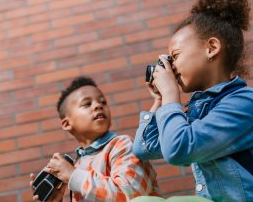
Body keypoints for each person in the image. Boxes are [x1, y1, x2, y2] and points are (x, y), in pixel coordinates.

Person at [132, 0, 253, 202]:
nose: (171, 66)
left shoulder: (247, 102)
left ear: (211, 48)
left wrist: (171, 96)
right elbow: (143, 149)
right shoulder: (200, 110)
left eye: (175, 56)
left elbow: (180, 149)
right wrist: (160, 101)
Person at [29, 76, 162, 202]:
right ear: (67, 124)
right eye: (87, 104)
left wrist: (74, 176)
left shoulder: (122, 144)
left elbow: (131, 194)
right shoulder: (76, 166)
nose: (98, 105)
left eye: (103, 102)